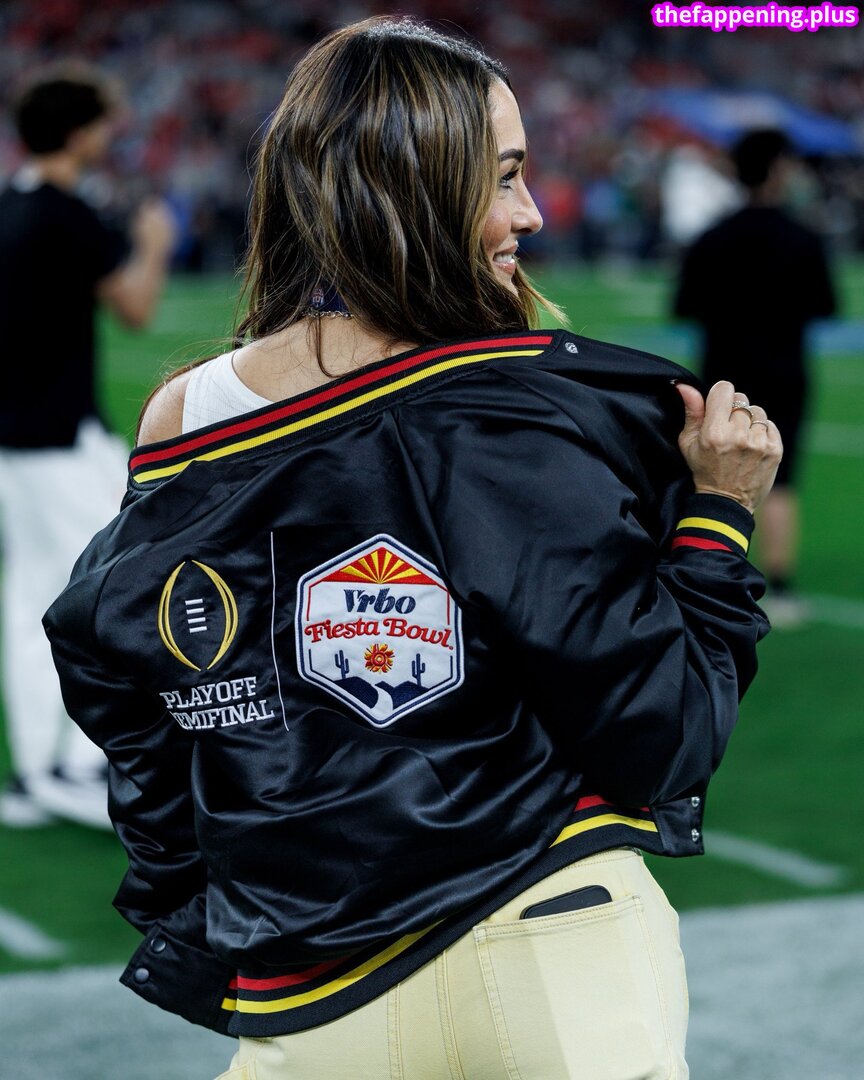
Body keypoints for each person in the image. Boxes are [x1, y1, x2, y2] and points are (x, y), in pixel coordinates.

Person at [44, 19, 780, 1080]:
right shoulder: (516, 408)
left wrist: (201, 887)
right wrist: (719, 515)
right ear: (416, 188)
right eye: (504, 178)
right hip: (551, 951)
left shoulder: (185, 414)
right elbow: (661, 733)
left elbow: (123, 678)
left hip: (307, 991)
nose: (531, 213)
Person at [0, 63, 175, 827]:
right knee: (108, 589)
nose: (111, 134)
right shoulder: (67, 213)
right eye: (102, 123)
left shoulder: (10, 204)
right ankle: (79, 763)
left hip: (16, 438)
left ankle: (36, 768)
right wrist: (155, 243)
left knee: (29, 598)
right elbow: (135, 306)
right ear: (77, 132)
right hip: (59, 437)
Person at [674, 128, 837, 626]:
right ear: (778, 170)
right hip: (785, 371)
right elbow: (826, 305)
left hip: (723, 378)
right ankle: (779, 586)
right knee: (780, 479)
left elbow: (684, 306)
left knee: (709, 477)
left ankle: (706, 574)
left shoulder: (712, 237)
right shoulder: (802, 237)